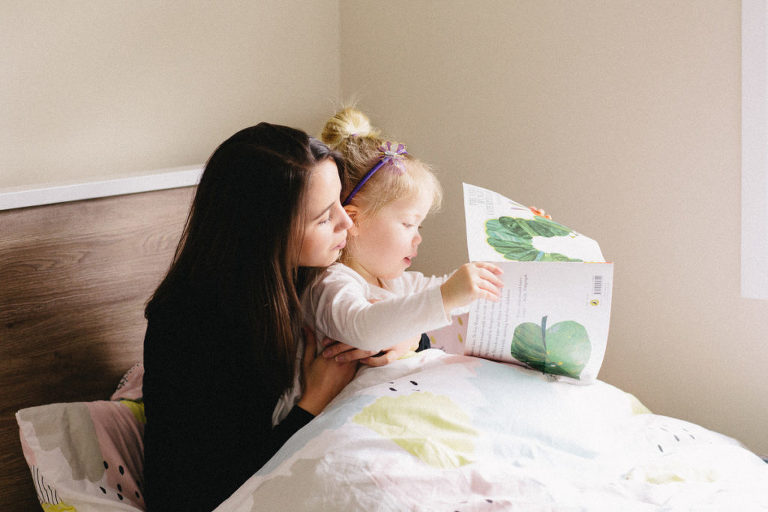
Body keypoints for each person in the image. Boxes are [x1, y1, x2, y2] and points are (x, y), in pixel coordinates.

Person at [142, 123, 358, 511]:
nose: (347, 223)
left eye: (340, 203)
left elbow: (379, 316)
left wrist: (396, 342)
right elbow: (205, 490)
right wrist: (314, 401)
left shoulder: (305, 272)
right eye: (324, 218)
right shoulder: (191, 329)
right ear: (264, 230)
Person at [302, 108, 505, 367]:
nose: (417, 238)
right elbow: (364, 329)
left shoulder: (396, 283)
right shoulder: (330, 284)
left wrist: (513, 248)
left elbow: (461, 291)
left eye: (419, 227)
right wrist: (445, 297)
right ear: (354, 220)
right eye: (409, 224)